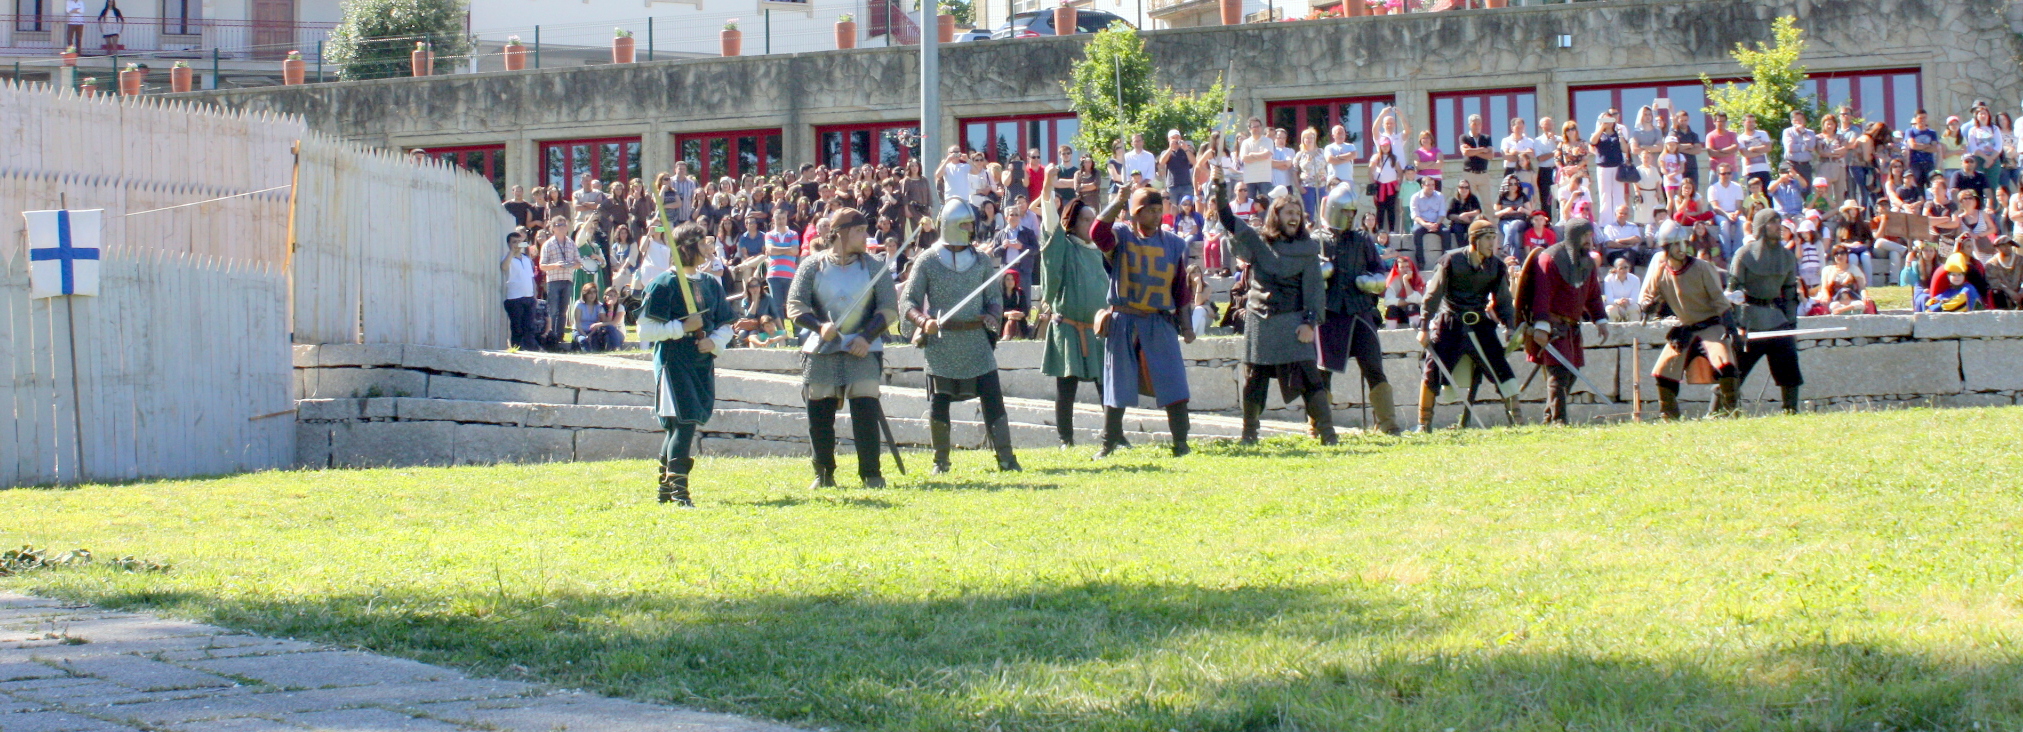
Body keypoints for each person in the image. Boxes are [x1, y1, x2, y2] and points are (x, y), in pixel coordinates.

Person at [1213, 168, 1331, 445]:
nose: (1293, 217)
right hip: (1260, 321)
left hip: (1293, 322)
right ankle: (1249, 435)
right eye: (1288, 212)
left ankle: (1327, 433)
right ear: (1275, 216)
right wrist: (1219, 191)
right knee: (1254, 381)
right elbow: (1229, 220)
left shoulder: (1307, 249)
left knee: (1310, 378)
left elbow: (1314, 290)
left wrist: (1310, 323)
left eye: (1297, 213)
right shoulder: (1259, 242)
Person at [903, 198, 1021, 474]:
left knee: (993, 399)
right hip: (941, 342)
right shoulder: (927, 260)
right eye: (966, 224)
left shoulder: (980, 260)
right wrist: (924, 321)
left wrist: (992, 314)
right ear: (953, 225)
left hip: (976, 340)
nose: (971, 229)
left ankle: (1006, 458)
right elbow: (909, 302)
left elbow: (993, 296)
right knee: (939, 402)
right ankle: (940, 462)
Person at [786, 208, 898, 489]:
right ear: (842, 234)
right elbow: (794, 306)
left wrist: (866, 336)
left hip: (864, 349)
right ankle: (823, 474)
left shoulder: (875, 267)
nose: (866, 236)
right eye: (859, 231)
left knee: (865, 411)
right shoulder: (812, 266)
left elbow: (888, 309)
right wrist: (819, 326)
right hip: (821, 349)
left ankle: (871, 473)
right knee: (820, 415)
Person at [1089, 184, 1195, 458]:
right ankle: (1109, 442)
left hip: (1159, 320)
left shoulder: (1173, 244)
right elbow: (1096, 233)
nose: (1157, 215)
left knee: (1173, 381)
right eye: (1150, 210)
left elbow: (1180, 289)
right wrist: (1117, 201)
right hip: (1123, 319)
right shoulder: (1120, 237)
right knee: (1117, 384)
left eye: (1160, 210)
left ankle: (1181, 443)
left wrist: (1186, 326)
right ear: (1136, 212)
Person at [634, 223, 736, 506]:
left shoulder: (710, 284)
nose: (707, 248)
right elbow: (645, 331)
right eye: (701, 243)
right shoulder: (663, 284)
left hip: (701, 361)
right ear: (687, 248)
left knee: (680, 425)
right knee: (684, 421)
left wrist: (713, 342)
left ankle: (665, 490)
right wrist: (681, 326)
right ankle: (680, 492)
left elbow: (726, 323)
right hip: (673, 361)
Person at [1417, 220, 1520, 431]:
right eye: (1489, 238)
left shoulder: (1496, 266)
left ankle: (1517, 420)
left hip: (1481, 325)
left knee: (1501, 367)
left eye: (1495, 238)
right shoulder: (1451, 261)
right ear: (1475, 240)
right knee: (1433, 370)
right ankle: (1423, 423)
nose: (1494, 243)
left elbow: (1503, 300)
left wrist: (1509, 326)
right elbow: (1433, 295)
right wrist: (1424, 327)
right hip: (1450, 324)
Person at [1315, 184, 1398, 433]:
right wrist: (1319, 274)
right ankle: (1319, 425)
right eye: (1346, 212)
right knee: (1323, 373)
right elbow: (1303, 280)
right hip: (1328, 314)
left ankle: (1387, 424)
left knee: (1374, 367)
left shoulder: (1362, 239)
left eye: (1353, 212)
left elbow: (1379, 271)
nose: (1350, 216)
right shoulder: (1315, 240)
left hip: (1360, 310)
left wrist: (1371, 282)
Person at [1513, 218, 1610, 424]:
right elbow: (1542, 295)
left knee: (1571, 373)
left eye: (1589, 236)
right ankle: (1559, 421)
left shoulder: (1587, 262)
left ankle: (1550, 417)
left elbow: (1592, 294)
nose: (1588, 240)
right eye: (1584, 236)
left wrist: (1600, 319)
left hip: (1572, 327)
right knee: (1558, 374)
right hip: (1553, 326)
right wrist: (1541, 326)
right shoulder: (1550, 259)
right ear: (1573, 236)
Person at [1639, 219, 1737, 420]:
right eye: (1676, 244)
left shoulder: (1702, 268)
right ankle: (1670, 417)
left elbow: (1720, 301)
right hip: (1685, 329)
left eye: (1683, 243)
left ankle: (1731, 412)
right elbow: (1649, 302)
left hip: (1712, 326)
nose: (1682, 249)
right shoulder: (1661, 272)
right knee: (1663, 372)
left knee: (1725, 366)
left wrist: (1731, 329)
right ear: (1666, 248)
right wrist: (1650, 307)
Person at [1727, 210, 1804, 415]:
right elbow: (1732, 291)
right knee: (1734, 373)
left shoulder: (1787, 257)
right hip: (1749, 321)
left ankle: (1791, 410)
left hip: (1777, 321)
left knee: (1789, 369)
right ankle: (1721, 411)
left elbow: (1790, 295)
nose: (1778, 227)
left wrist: (1791, 325)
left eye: (1779, 222)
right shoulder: (1744, 254)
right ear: (1761, 226)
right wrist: (1736, 325)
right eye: (1772, 223)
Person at [538, 216, 581, 347]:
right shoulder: (548, 244)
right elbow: (542, 265)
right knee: (553, 310)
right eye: (559, 225)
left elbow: (579, 263)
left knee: (563, 310)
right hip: (554, 280)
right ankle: (550, 336)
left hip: (567, 279)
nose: (562, 227)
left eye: (564, 224)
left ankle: (560, 336)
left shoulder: (571, 243)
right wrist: (556, 265)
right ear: (553, 228)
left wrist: (571, 264)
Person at [501, 230, 541, 352]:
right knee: (517, 327)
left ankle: (530, 350)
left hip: (529, 297)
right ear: (509, 243)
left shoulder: (526, 259)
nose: (517, 244)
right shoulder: (507, 258)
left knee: (529, 327)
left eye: (519, 242)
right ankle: (516, 349)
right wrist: (512, 251)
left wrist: (535, 295)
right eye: (514, 242)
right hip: (514, 298)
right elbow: (504, 267)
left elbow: (531, 278)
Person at [1408, 177, 1449, 267]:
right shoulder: (1415, 197)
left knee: (1446, 232)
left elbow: (1442, 213)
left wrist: (1436, 224)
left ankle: (1445, 261)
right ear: (1422, 186)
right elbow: (1414, 215)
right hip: (1421, 223)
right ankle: (1420, 262)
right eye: (1428, 185)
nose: (1431, 187)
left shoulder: (1440, 196)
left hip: (1436, 222)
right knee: (1416, 232)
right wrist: (1425, 224)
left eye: (1433, 185)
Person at [1382, 257, 1426, 329]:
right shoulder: (1393, 282)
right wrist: (1407, 301)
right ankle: (1391, 333)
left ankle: (1415, 331)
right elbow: (1388, 301)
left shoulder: (1419, 281)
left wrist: (1405, 281)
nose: (1405, 269)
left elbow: (1417, 300)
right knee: (1391, 309)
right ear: (1397, 269)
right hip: (1399, 314)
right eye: (1402, 267)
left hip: (1416, 313)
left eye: (1407, 267)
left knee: (1412, 307)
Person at [1983, 236, 2023, 309]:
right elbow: (1993, 281)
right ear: (1997, 248)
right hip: (2003, 295)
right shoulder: (1991, 264)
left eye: (2009, 245)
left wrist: (2021, 291)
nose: (2007, 248)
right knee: (1997, 293)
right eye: (2004, 245)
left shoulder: (2020, 260)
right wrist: (2009, 291)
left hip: (2020, 293)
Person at [1601, 256, 1642, 322]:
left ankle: (1634, 329)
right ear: (1615, 269)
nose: (1624, 270)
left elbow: (1635, 298)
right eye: (1621, 268)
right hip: (1615, 305)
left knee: (1635, 307)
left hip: (1629, 305)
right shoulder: (1608, 279)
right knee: (1610, 309)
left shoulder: (1635, 279)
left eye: (1626, 267)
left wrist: (1627, 301)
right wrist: (1618, 301)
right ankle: (1611, 331)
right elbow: (1609, 299)